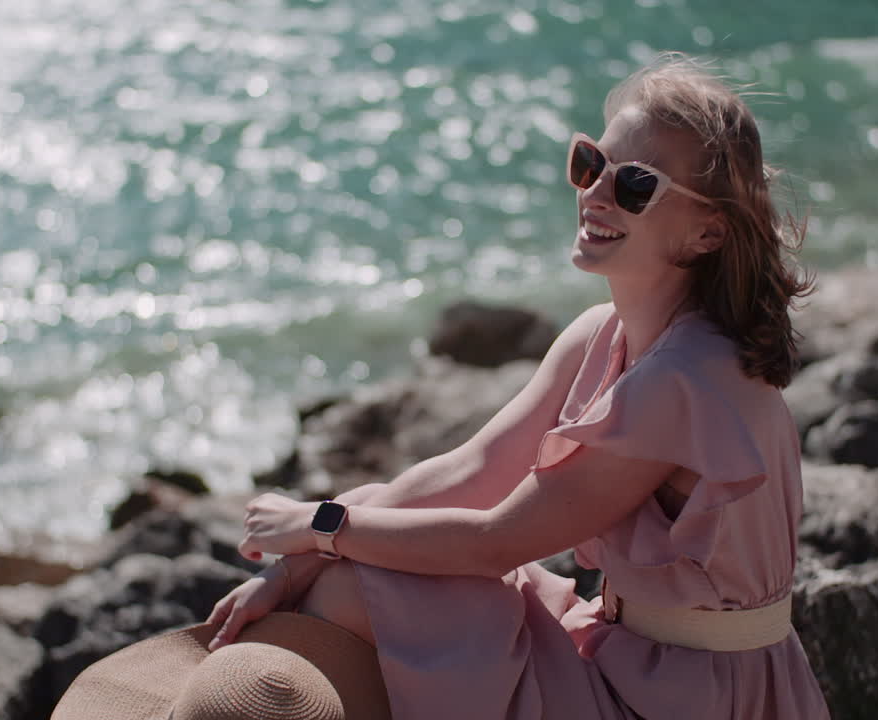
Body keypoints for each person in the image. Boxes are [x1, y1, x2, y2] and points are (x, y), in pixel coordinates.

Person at [202, 52, 829, 720]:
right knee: (361, 565)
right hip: (630, 652)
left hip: (689, 698)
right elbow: (472, 470)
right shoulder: (602, 333)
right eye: (590, 163)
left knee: (360, 590)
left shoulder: (682, 378)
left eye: (635, 185)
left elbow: (495, 541)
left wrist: (318, 526)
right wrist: (297, 561)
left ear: (709, 231)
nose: (595, 194)